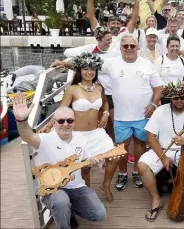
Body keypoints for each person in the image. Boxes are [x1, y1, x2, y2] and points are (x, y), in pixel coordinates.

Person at [12, 97, 106, 228]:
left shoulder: (80, 138)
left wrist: (95, 161)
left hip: (77, 186)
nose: (66, 124)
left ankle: (69, 211)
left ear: (74, 122)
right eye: (61, 121)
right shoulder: (45, 139)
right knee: (61, 202)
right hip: (53, 188)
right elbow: (27, 135)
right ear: (54, 123)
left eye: (70, 120)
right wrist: (21, 121)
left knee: (99, 214)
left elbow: (86, 159)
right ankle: (63, 216)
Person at [49, 53, 119, 202]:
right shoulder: (72, 89)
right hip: (79, 135)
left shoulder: (99, 88)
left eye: (92, 69)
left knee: (115, 157)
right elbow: (61, 110)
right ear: (79, 70)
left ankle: (105, 185)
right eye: (85, 68)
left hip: (97, 133)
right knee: (85, 168)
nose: (89, 72)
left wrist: (105, 113)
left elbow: (105, 102)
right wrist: (49, 125)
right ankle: (88, 195)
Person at [137, 80, 184, 222]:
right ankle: (156, 200)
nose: (179, 101)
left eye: (182, 97)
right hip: (163, 149)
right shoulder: (160, 110)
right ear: (170, 98)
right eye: (176, 98)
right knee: (142, 165)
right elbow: (150, 136)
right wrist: (163, 158)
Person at [100, 34, 163, 191]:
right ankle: (122, 173)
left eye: (132, 46)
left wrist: (154, 105)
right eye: (125, 45)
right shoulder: (110, 63)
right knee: (122, 147)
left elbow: (158, 88)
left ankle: (136, 171)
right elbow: (87, 64)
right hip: (121, 116)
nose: (129, 48)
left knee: (140, 144)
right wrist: (65, 64)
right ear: (120, 48)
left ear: (138, 48)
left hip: (143, 114)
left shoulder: (147, 64)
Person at [155, 35, 184, 104]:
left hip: (179, 98)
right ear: (167, 47)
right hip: (164, 97)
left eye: (177, 46)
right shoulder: (160, 60)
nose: (175, 48)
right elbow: (155, 81)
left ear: (179, 47)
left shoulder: (183, 61)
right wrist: (158, 99)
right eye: (172, 46)